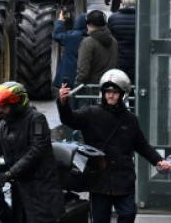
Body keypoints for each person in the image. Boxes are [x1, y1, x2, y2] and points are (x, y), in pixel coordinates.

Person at [57, 69, 171, 223]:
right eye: (108, 91)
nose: (111, 95)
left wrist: (158, 161)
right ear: (102, 93)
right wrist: (63, 103)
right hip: (99, 180)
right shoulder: (91, 113)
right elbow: (70, 119)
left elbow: (142, 145)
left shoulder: (130, 119)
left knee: (128, 213)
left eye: (115, 92)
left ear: (122, 94)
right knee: (100, 219)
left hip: (123, 179)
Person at [0, 81, 64, 222]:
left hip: (40, 187)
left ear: (16, 104)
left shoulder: (36, 119)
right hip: (20, 187)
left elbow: (36, 150)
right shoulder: (2, 126)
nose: (0, 110)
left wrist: (9, 173)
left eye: (4, 106)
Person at [76, 10, 118, 85]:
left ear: (89, 24)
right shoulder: (113, 41)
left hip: (92, 88)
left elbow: (83, 71)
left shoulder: (88, 43)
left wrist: (77, 86)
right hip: (109, 87)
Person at [53, 8, 87, 90]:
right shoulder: (95, 37)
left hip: (70, 78)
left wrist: (60, 21)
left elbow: (58, 35)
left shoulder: (72, 36)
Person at [107, 0, 137, 84]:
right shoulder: (142, 18)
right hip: (137, 60)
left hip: (120, 60)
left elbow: (109, 39)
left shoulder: (113, 18)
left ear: (121, 1)